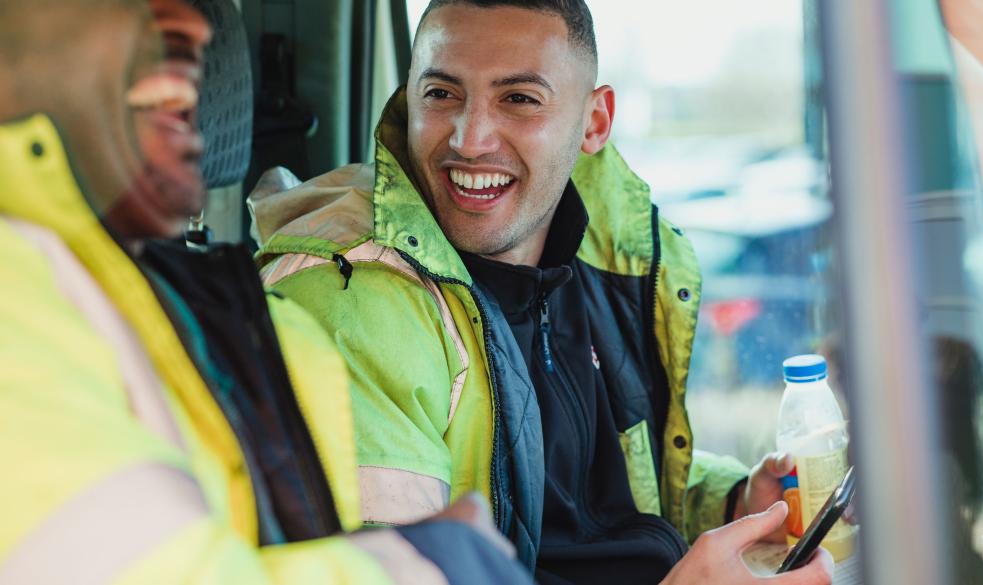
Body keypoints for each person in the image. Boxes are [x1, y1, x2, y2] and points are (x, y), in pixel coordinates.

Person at [248, 0, 833, 583]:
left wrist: (730, 503)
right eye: (441, 94)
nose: (470, 139)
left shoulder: (596, 262)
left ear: (594, 122)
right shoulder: (354, 302)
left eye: (519, 99)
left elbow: (592, 496)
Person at [0, 1, 529, 583]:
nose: (194, 24)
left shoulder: (234, 320)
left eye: (521, 98)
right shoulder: (17, 297)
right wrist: (440, 560)